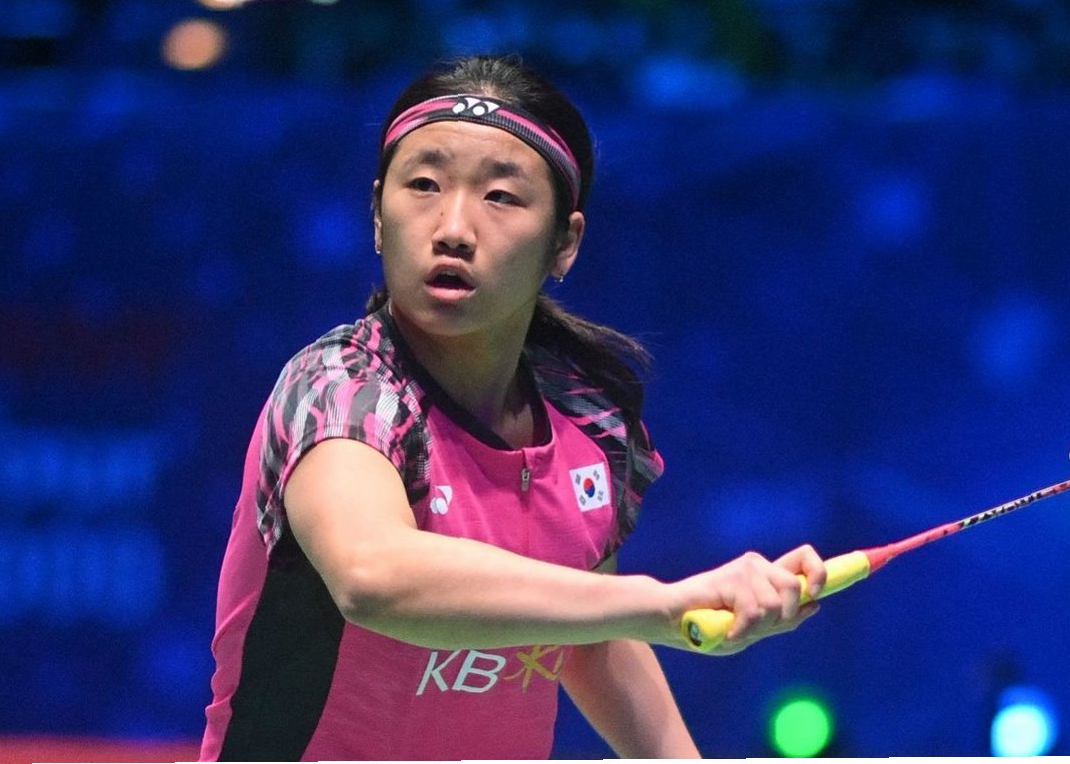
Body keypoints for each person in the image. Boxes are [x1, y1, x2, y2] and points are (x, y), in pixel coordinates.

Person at [199, 55, 827, 761]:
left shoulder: (588, 421)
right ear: (377, 216)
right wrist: (664, 604)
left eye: (500, 196)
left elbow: (589, 640)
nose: (453, 227)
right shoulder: (342, 388)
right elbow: (372, 576)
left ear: (565, 243)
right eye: (423, 185)